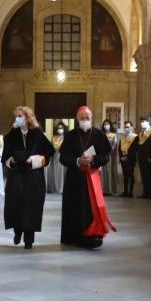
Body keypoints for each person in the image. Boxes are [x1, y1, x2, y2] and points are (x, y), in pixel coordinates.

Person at [61, 106, 116, 249]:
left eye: (87, 117)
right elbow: (63, 158)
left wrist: (93, 160)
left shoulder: (99, 135)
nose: (85, 120)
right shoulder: (70, 135)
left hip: (92, 178)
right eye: (82, 118)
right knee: (74, 207)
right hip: (74, 178)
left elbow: (105, 157)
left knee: (91, 207)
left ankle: (92, 236)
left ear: (92, 118)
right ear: (77, 119)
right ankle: (73, 237)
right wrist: (78, 161)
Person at [3, 107, 55, 249]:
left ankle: (29, 238)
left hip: (34, 176)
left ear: (28, 118)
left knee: (32, 206)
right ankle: (17, 231)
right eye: (16, 116)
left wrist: (36, 160)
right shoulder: (11, 135)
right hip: (16, 176)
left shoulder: (37, 134)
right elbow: (5, 156)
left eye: (20, 116)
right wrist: (11, 161)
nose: (17, 119)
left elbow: (49, 153)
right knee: (16, 204)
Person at [135, 117, 151, 198]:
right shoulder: (141, 133)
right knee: (143, 175)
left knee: (148, 175)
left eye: (143, 121)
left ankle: (149, 193)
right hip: (141, 157)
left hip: (148, 158)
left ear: (148, 122)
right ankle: (145, 192)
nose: (142, 123)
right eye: (141, 122)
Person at [118, 121, 139, 197]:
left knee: (131, 175)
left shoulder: (135, 137)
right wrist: (121, 157)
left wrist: (127, 156)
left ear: (132, 127)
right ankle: (125, 191)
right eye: (125, 127)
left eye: (128, 127)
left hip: (130, 159)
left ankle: (130, 192)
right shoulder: (123, 136)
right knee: (125, 175)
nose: (126, 128)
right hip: (123, 159)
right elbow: (119, 148)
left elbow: (135, 149)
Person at [101, 120, 120, 196]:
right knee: (103, 172)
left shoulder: (114, 135)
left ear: (110, 125)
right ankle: (104, 189)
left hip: (111, 156)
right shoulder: (101, 134)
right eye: (105, 124)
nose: (106, 126)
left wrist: (109, 150)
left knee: (111, 171)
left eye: (108, 124)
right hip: (102, 156)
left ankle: (111, 189)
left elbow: (114, 145)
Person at [47, 122, 68, 194]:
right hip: (55, 157)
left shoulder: (67, 137)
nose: (60, 130)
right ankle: (56, 188)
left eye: (61, 128)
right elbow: (51, 148)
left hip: (64, 157)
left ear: (64, 129)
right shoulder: (54, 137)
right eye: (58, 128)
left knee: (64, 173)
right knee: (56, 173)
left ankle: (63, 188)